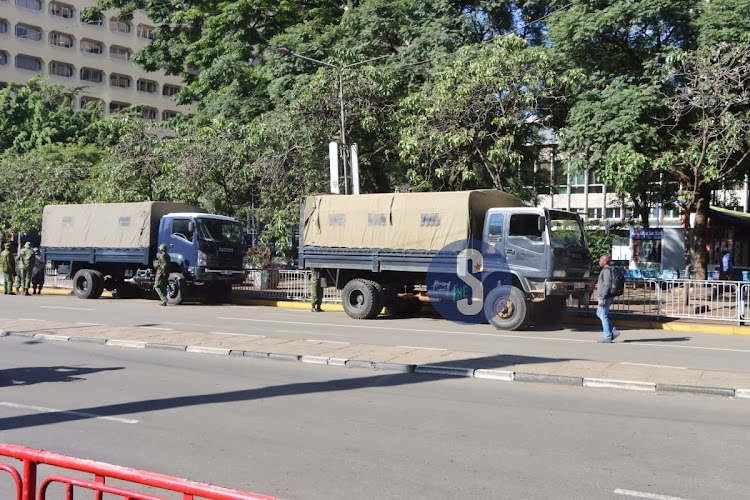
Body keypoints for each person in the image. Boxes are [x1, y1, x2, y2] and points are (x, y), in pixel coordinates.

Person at [595, 254, 620, 343]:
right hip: (605, 295)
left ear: (605, 262)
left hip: (605, 296)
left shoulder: (606, 271)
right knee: (599, 313)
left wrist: (602, 298)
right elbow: (604, 283)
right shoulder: (605, 270)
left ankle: (608, 336)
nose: (599, 262)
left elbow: (607, 285)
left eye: (601, 260)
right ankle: (613, 331)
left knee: (603, 315)